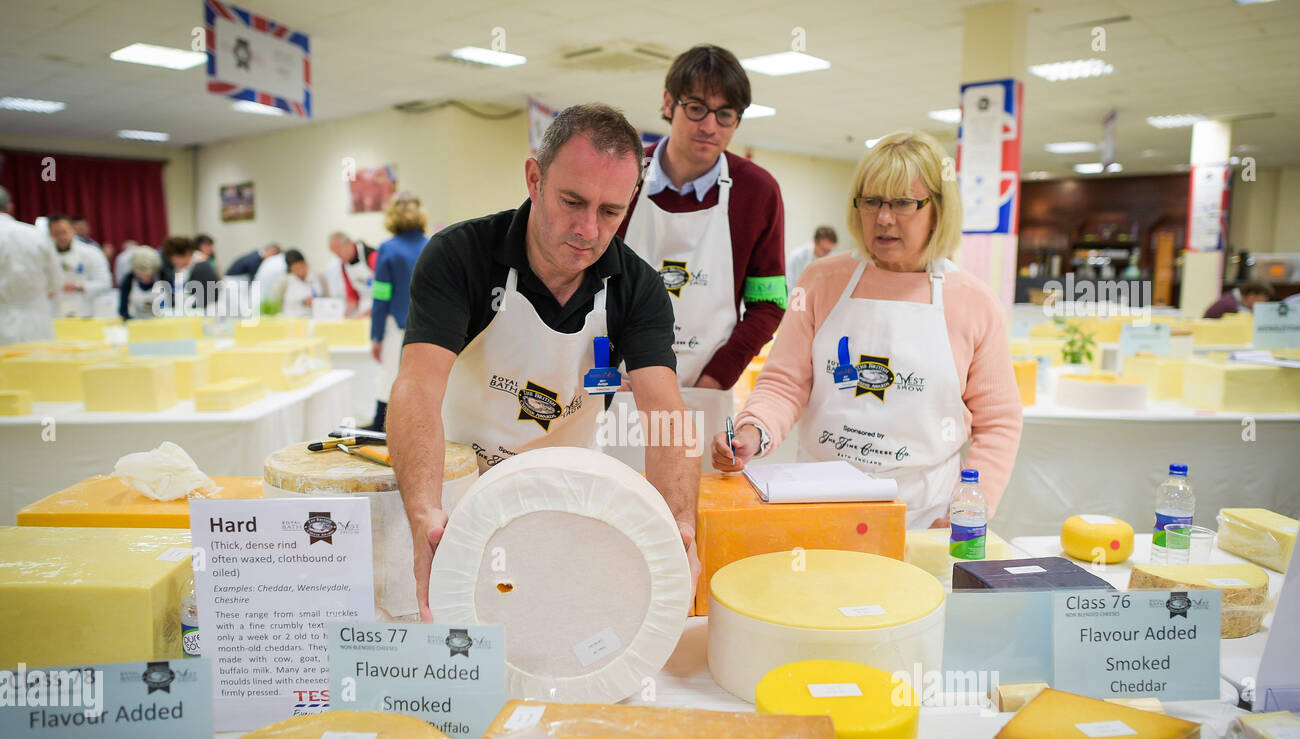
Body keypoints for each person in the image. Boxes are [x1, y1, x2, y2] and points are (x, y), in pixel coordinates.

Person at [389, 103, 700, 619]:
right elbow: (418, 387)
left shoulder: (639, 289)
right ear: (534, 178)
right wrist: (425, 513)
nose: (587, 230)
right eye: (572, 201)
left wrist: (680, 523)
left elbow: (665, 411)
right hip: (457, 500)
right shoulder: (459, 256)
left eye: (609, 212)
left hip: (567, 501)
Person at [712, 131, 1023, 529]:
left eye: (903, 203)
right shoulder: (823, 279)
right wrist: (753, 431)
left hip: (924, 516)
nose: (884, 218)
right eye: (872, 201)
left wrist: (963, 514)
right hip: (819, 503)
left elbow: (998, 423)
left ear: (938, 209)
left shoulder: (973, 302)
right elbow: (784, 383)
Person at [618, 44, 787, 393]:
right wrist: (601, 368)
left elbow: (768, 304)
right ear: (668, 103)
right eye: (696, 108)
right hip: (614, 386)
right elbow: (581, 283)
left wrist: (713, 382)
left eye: (725, 114)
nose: (710, 126)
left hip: (704, 390)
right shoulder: (622, 173)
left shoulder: (758, 193)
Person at [368, 193, 430, 432]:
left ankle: (381, 431)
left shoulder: (387, 249)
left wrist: (376, 336)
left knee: (388, 381)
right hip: (427, 325)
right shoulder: (431, 244)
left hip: (397, 326)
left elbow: (381, 297)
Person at [0, 186, 62, 344]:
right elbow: (56, 281)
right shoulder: (36, 235)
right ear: (10, 207)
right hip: (36, 321)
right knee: (36, 367)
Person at [48, 213, 112, 317]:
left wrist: (80, 287)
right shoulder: (45, 255)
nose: (61, 237)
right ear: (50, 234)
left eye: (64, 232)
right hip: (55, 314)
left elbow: (105, 283)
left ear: (72, 230)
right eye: (56, 233)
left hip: (85, 313)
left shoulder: (91, 252)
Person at [159, 236, 220, 313]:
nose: (174, 262)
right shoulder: (183, 268)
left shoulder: (201, 267)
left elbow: (211, 295)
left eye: (175, 258)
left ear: (187, 253)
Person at [323, 232, 378, 317]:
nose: (338, 257)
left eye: (339, 252)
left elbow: (385, 292)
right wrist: (345, 317)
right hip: (363, 308)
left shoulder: (373, 257)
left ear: (349, 244)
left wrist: (365, 315)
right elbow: (352, 296)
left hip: (380, 308)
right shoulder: (344, 266)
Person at [118, 246, 163, 320]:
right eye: (141, 275)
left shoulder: (164, 278)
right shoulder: (128, 281)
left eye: (148, 275)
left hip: (163, 324)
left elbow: (173, 305)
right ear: (134, 271)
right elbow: (123, 311)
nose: (145, 278)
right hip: (136, 323)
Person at [275, 249, 323, 317]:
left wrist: (316, 301)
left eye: (301, 267)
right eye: (296, 269)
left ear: (306, 264)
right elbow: (277, 301)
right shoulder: (285, 281)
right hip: (291, 321)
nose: (300, 271)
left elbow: (325, 299)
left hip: (313, 319)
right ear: (291, 269)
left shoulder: (318, 278)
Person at [1203, 279, 1272, 318]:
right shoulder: (1230, 305)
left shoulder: (1234, 298)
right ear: (1252, 296)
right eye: (1263, 300)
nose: (1263, 304)